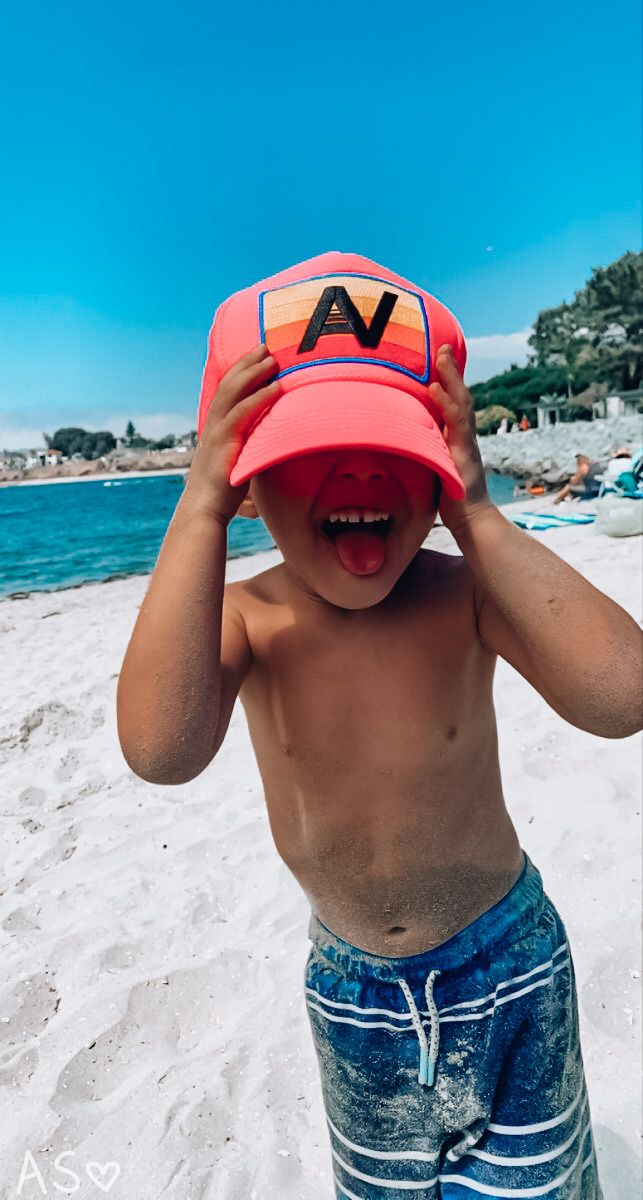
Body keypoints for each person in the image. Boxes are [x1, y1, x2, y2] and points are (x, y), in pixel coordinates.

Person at [117, 253, 641, 1199]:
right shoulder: (246, 620)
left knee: (541, 1185)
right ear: (244, 480)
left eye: (392, 448)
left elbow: (620, 696)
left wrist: (479, 515)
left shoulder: (463, 596)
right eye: (312, 449)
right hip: (355, 994)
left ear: (438, 469)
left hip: (509, 962)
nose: (358, 469)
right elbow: (161, 750)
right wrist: (196, 508)